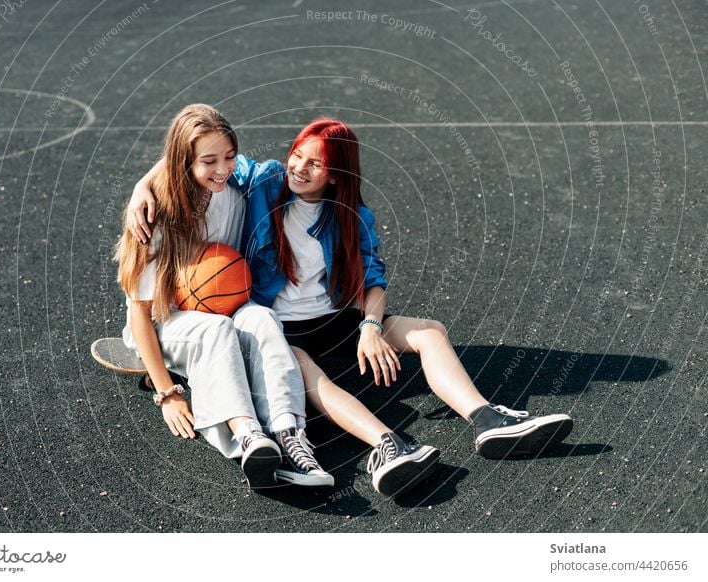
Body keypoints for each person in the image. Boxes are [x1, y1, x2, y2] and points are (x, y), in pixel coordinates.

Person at [127, 117, 573, 498]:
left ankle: (486, 418)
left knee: (429, 331)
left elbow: (373, 281)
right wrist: (141, 188)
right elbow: (193, 153)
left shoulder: (350, 215)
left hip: (338, 319)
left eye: (314, 162)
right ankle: (387, 447)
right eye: (297, 154)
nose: (299, 167)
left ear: (336, 174)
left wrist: (372, 326)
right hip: (284, 327)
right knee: (309, 376)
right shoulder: (262, 182)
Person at [115, 104, 333, 490]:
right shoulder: (153, 215)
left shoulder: (233, 196)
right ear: (183, 162)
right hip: (163, 320)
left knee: (263, 318)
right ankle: (248, 436)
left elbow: (195, 154)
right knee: (216, 330)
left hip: (218, 305)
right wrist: (167, 393)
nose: (223, 168)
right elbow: (139, 312)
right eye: (209, 161)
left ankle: (289, 434)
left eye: (229, 157)